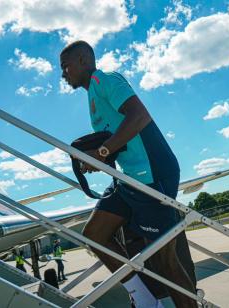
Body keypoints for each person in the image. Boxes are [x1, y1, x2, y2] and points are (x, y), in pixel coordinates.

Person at [59, 40, 197, 308]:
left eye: (66, 67)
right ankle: (145, 301)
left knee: (163, 259)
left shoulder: (106, 80)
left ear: (83, 61)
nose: (63, 73)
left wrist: (101, 152)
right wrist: (100, 156)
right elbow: (119, 138)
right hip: (128, 176)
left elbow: (139, 116)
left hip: (153, 173)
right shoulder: (91, 95)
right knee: (95, 233)